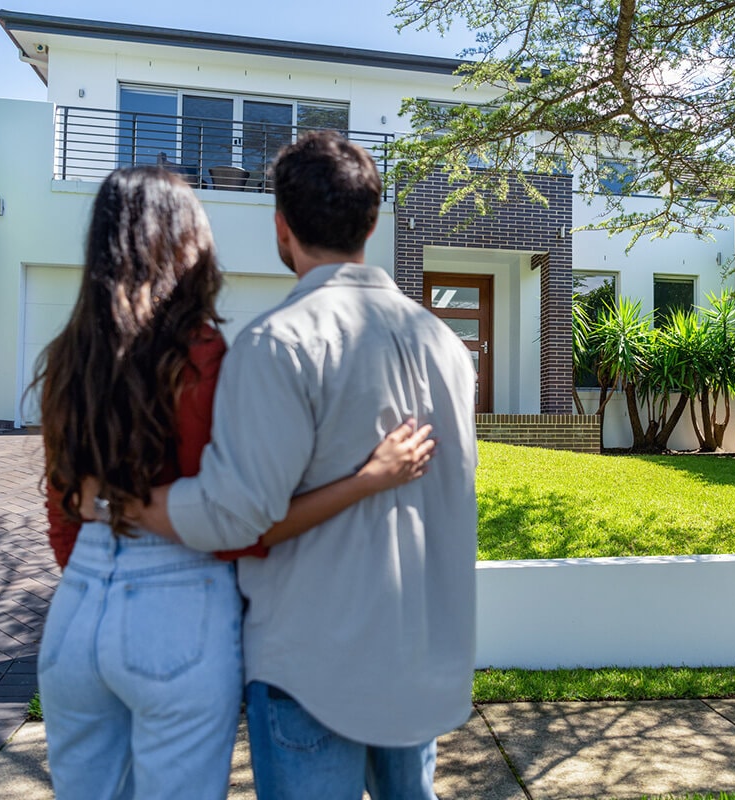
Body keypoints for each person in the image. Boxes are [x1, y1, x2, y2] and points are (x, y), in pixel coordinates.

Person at [33, 165, 435, 800]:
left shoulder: (67, 357)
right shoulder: (200, 360)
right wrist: (367, 479)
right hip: (176, 609)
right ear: (189, 241)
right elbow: (237, 525)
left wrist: (106, 522)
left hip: (76, 610)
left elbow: (63, 512)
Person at [124, 131, 479, 799]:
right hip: (418, 654)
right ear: (372, 223)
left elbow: (234, 513)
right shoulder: (446, 345)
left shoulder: (277, 342)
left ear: (281, 227)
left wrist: (132, 503)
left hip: (312, 667)